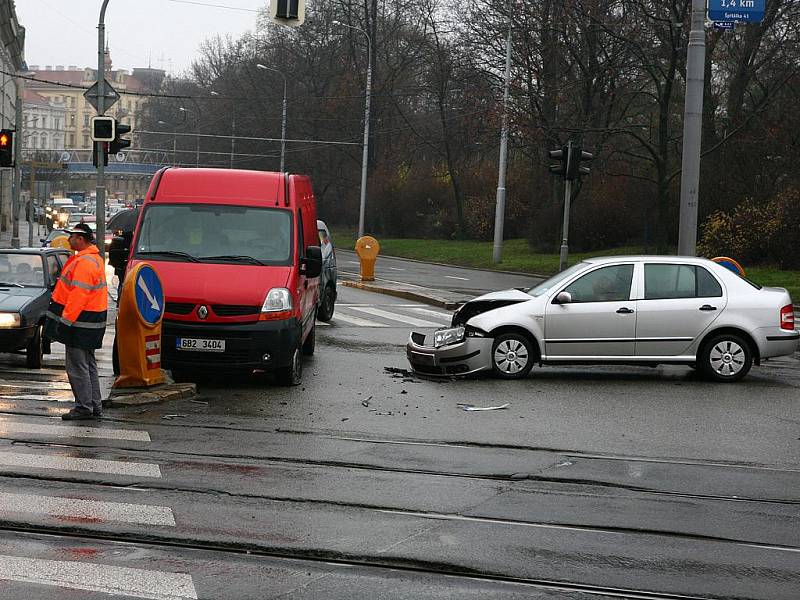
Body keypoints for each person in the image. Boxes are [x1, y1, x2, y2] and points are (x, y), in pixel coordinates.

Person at [44, 223, 108, 420]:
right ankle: (94, 405)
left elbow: (77, 296)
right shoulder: (92, 259)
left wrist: (65, 322)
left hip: (80, 323)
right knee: (88, 365)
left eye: (72, 236)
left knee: (77, 367)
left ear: (80, 239)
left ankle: (83, 407)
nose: (69, 239)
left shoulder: (85, 263)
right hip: (90, 321)